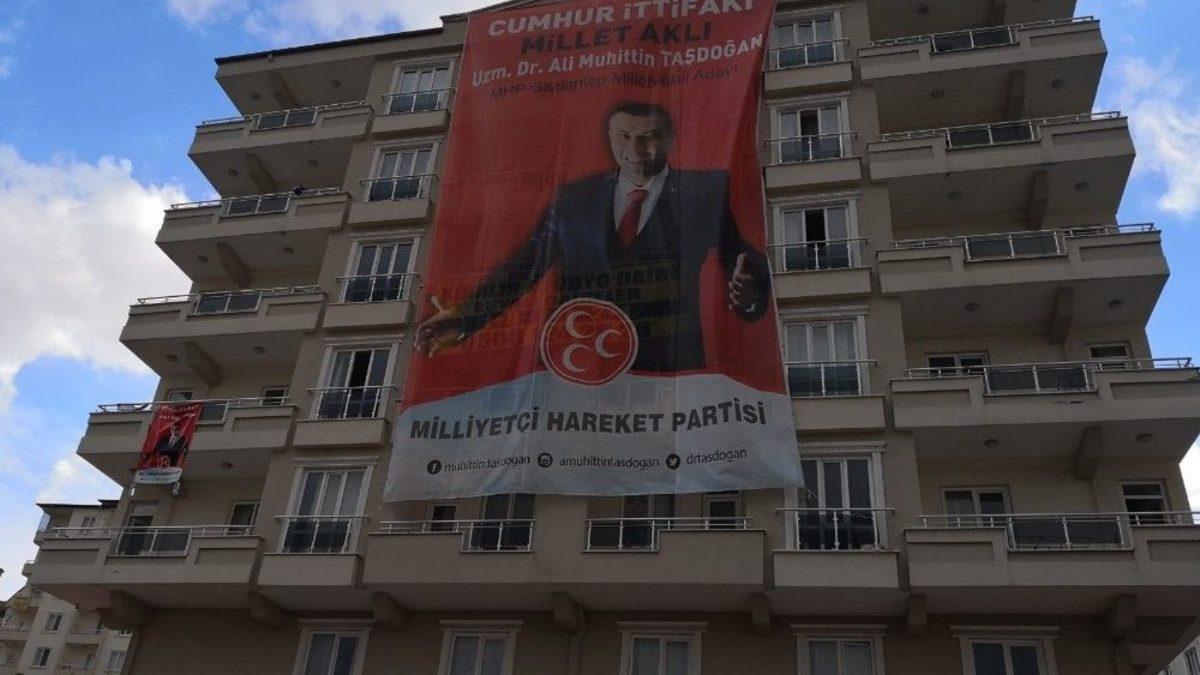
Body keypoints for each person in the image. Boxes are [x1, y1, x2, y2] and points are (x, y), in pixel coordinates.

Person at [415, 100, 770, 372]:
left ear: (670, 140)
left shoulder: (703, 191)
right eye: (625, 136)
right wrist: (467, 317)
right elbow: (525, 266)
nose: (636, 149)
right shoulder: (574, 199)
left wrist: (750, 291)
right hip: (577, 366)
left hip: (667, 370)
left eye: (649, 137)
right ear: (610, 139)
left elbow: (739, 256)